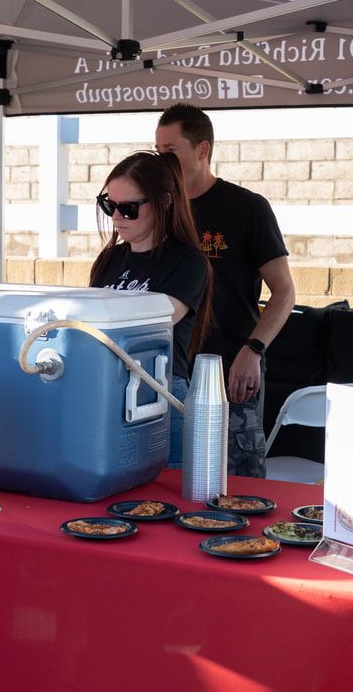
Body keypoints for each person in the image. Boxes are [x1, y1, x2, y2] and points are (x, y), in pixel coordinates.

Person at [155, 104, 296, 478]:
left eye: (171, 151)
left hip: (229, 369)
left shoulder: (247, 208)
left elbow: (284, 292)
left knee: (235, 485)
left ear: (202, 149)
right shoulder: (158, 211)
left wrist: (254, 350)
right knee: (169, 484)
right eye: (158, 152)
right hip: (166, 374)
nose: (162, 162)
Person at [89, 151, 212, 468]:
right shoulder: (109, 259)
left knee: (165, 488)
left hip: (160, 390)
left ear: (164, 202)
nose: (116, 217)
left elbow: (155, 326)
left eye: (129, 208)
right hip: (109, 387)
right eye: (109, 205)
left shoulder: (188, 262)